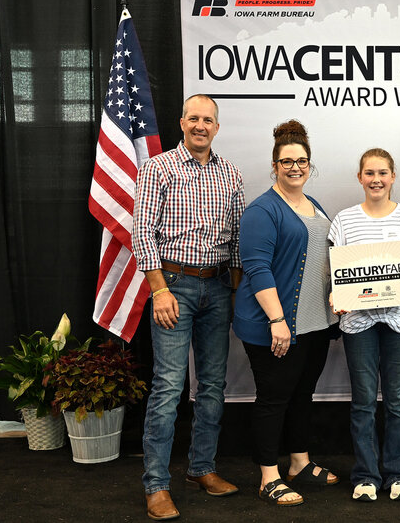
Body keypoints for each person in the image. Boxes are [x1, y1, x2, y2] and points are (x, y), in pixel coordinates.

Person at [133, 94, 244, 521]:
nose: (201, 125)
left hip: (217, 288)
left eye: (208, 120)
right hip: (173, 286)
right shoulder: (158, 168)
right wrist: (159, 291)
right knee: (168, 387)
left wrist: (233, 294)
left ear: (217, 127)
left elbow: (236, 242)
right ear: (182, 123)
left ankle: (202, 468)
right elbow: (142, 233)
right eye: (194, 118)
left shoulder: (231, 174)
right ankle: (156, 485)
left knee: (214, 386)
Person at [233, 120, 340, 507]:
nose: (295, 167)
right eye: (287, 161)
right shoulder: (263, 210)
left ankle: (299, 462)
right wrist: (277, 320)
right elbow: (257, 267)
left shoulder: (314, 205)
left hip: (313, 324)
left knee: (301, 395)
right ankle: (268, 476)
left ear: (310, 165)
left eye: (302, 161)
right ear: (275, 165)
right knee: (274, 398)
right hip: (276, 326)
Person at [328, 148, 400, 502]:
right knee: (364, 401)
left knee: (398, 400)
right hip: (358, 322)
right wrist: (336, 295)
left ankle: (398, 474)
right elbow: (339, 273)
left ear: (393, 176)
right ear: (360, 177)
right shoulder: (343, 220)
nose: (376, 179)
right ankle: (366, 475)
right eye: (369, 173)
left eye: (383, 173)